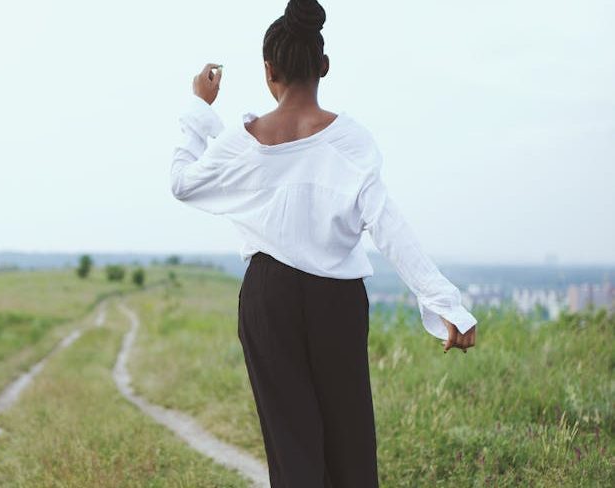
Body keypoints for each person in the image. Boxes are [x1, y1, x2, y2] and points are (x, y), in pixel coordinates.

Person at [169, 1, 478, 486]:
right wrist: (446, 305)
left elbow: (185, 182)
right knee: (350, 440)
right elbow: (388, 225)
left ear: (268, 71)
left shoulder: (243, 139)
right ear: (324, 67)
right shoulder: (351, 141)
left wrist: (197, 108)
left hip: (267, 298)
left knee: (292, 449)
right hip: (336, 299)